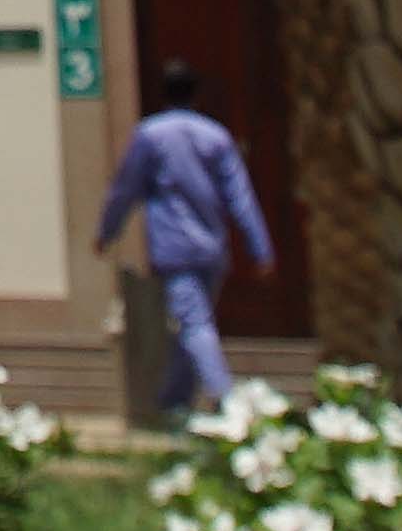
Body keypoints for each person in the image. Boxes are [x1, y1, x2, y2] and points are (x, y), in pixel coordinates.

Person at [99, 61, 273, 422]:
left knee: (193, 323)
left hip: (174, 247)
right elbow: (240, 195)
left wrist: (107, 231)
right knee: (193, 320)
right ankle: (173, 402)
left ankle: (223, 399)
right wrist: (259, 247)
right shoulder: (216, 136)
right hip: (212, 247)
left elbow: (125, 189)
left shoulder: (150, 135)